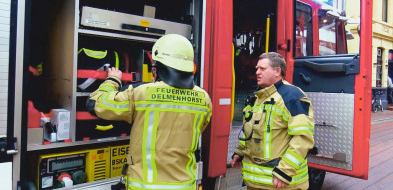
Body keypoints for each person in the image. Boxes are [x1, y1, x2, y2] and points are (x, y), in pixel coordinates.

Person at [87, 34, 212, 190]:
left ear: (157, 67)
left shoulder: (141, 94)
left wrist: (113, 80)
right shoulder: (204, 98)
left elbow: (95, 103)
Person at [231, 52, 314, 190]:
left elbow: (303, 138)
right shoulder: (259, 98)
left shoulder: (292, 97)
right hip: (255, 184)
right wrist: (239, 152)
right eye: (257, 68)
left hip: (283, 185)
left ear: (277, 71)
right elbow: (250, 131)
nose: (257, 72)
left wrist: (285, 171)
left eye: (262, 69)